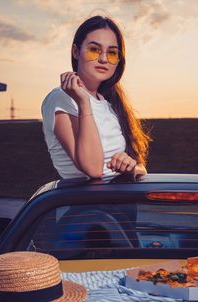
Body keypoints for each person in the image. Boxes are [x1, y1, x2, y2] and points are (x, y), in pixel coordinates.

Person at [41, 15, 151, 179]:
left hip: (118, 201)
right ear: (76, 51)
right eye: (94, 50)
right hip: (87, 203)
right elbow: (93, 169)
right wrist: (84, 102)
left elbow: (140, 168)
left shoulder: (110, 103)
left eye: (112, 53)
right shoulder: (61, 98)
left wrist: (132, 166)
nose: (103, 59)